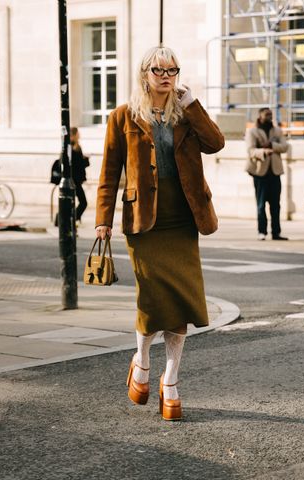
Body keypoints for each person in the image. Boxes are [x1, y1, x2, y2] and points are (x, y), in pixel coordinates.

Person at [95, 46, 224, 421]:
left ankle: (170, 381)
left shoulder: (185, 114)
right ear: (144, 73)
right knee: (152, 299)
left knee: (181, 300)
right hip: (144, 221)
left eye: (173, 70)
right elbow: (108, 173)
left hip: (183, 218)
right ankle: (142, 361)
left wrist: (194, 103)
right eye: (159, 69)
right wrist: (103, 218)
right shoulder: (123, 117)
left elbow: (215, 143)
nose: (166, 76)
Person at [245, 108, 289, 241]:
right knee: (261, 204)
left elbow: (285, 147)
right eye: (267, 115)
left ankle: (276, 233)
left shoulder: (277, 131)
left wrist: (272, 145)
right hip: (260, 173)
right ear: (260, 116)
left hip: (275, 173)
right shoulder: (252, 131)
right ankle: (262, 231)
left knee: (276, 205)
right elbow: (250, 150)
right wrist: (264, 152)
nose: (270, 117)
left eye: (271, 115)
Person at [70, 127, 89, 224]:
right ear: (74, 135)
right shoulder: (73, 148)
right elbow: (78, 164)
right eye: (78, 133)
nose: (79, 135)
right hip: (75, 181)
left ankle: (72, 220)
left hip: (74, 180)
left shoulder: (74, 147)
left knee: (73, 202)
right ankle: (73, 219)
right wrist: (86, 160)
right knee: (83, 202)